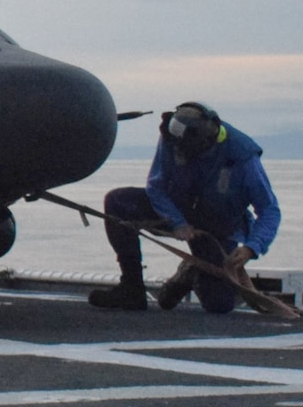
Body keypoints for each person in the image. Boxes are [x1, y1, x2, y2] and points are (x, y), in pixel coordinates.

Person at [88, 102, 282, 314]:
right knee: (117, 202)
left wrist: (251, 247)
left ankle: (189, 272)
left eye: (185, 149)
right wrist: (177, 221)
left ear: (204, 142)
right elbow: (156, 186)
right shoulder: (172, 138)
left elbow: (269, 210)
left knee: (219, 305)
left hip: (215, 228)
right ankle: (132, 288)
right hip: (174, 211)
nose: (177, 152)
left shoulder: (243, 157)